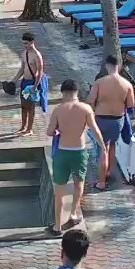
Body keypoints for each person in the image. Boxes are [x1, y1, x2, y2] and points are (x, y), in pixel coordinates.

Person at [45, 79, 104, 234]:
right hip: (79, 152)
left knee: (59, 192)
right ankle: (72, 214)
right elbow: (95, 130)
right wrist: (103, 147)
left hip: (62, 153)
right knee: (78, 184)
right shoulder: (85, 108)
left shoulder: (58, 110)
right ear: (77, 92)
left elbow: (49, 132)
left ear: (63, 93)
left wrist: (58, 130)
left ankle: (57, 226)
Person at [88, 56, 135, 191]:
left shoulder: (99, 83)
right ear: (119, 66)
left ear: (107, 66)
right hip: (117, 120)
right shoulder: (127, 84)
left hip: (101, 119)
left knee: (103, 149)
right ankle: (108, 172)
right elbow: (131, 105)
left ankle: (101, 182)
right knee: (112, 145)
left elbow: (90, 101)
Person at [9, 32, 47, 136]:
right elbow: (22, 69)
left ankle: (29, 129)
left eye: (26, 43)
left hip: (32, 83)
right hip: (24, 82)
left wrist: (35, 86)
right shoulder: (24, 53)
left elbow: (40, 72)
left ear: (32, 42)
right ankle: (23, 127)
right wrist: (14, 80)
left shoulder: (37, 55)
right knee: (23, 106)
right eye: (23, 43)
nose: (24, 45)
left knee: (30, 107)